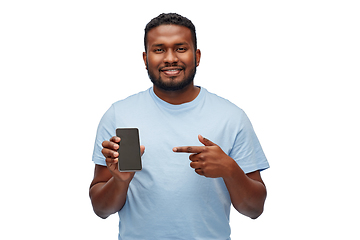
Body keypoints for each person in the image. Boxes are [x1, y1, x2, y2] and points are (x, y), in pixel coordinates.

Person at [89, 13, 269, 240]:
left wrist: (230, 170)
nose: (170, 58)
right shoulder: (119, 115)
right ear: (145, 58)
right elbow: (101, 209)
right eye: (159, 49)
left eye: (181, 48)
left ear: (197, 56)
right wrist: (120, 181)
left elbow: (254, 210)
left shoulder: (231, 117)